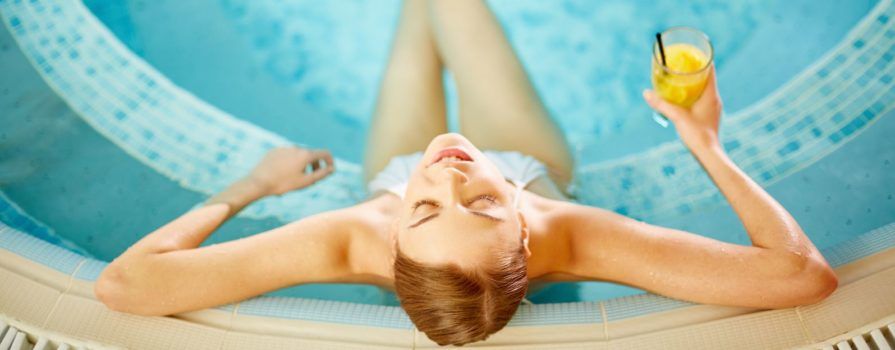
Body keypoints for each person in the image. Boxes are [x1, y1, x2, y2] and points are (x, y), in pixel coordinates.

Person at [94, 0, 838, 346]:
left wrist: (253, 187)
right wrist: (704, 141)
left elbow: (125, 286)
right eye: (481, 204)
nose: (447, 172)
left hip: (386, 169)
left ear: (391, 238)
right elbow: (801, 277)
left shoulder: (352, 234)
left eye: (423, 211)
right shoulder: (574, 233)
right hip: (526, 157)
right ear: (526, 224)